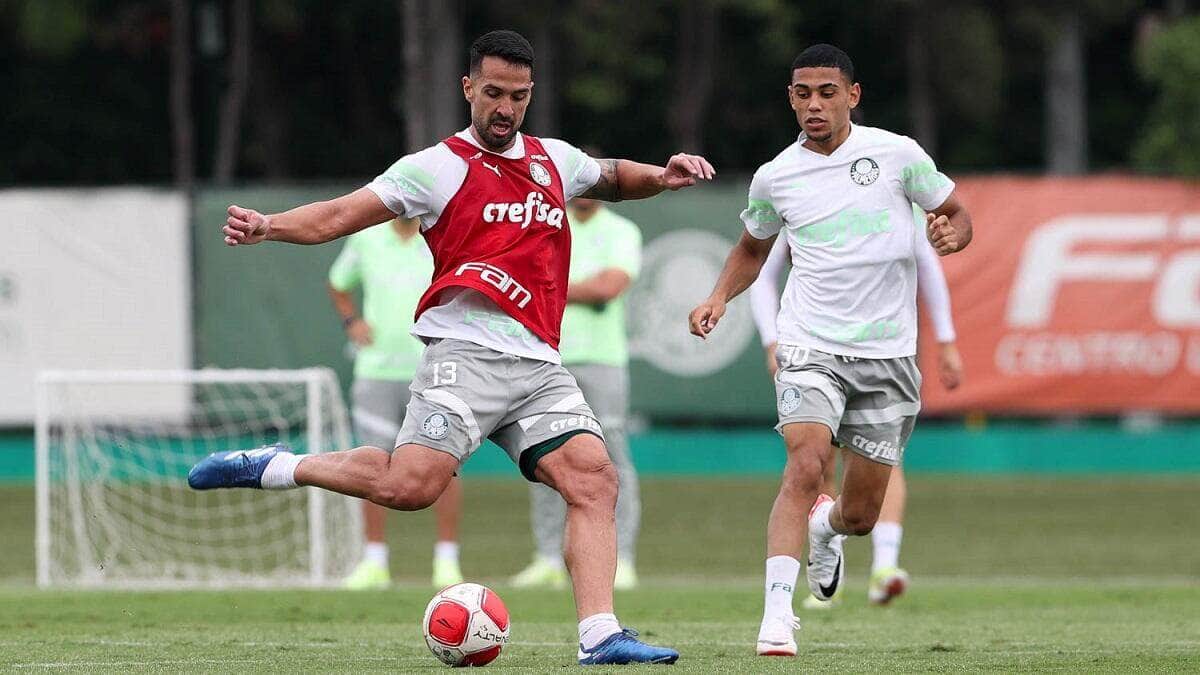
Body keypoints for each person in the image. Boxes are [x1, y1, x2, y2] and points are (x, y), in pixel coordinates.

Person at [189, 29, 714, 666]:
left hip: (540, 366)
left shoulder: (554, 160)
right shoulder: (434, 168)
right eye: (493, 93)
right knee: (408, 488)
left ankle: (601, 633)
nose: (505, 108)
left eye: (518, 96)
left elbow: (611, 178)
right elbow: (336, 216)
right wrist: (270, 226)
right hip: (463, 357)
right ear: (467, 88)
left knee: (594, 480)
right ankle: (274, 466)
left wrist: (662, 174)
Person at [687, 44, 972, 657]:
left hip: (889, 356)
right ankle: (776, 617)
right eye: (801, 94)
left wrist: (952, 232)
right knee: (807, 461)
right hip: (810, 345)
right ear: (790, 99)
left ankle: (827, 527)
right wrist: (718, 296)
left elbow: (954, 213)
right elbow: (752, 250)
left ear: (852, 95)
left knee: (861, 513)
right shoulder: (776, 175)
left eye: (825, 92)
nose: (813, 105)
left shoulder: (898, 155)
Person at [749, 207, 964, 609]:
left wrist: (947, 340)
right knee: (817, 462)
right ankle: (831, 563)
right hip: (816, 350)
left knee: (884, 460)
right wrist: (770, 340)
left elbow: (929, 265)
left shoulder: (897, 183)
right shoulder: (799, 187)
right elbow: (760, 266)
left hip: (882, 351)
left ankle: (883, 564)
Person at [510, 190, 644, 591]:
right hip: (549, 355)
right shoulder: (546, 222)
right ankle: (548, 556)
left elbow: (609, 287)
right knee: (545, 456)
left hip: (603, 360)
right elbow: (523, 278)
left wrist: (552, 286)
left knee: (613, 455)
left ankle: (624, 559)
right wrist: (574, 286)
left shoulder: (622, 230)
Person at [327, 215, 465, 590]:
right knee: (369, 461)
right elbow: (338, 283)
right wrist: (352, 322)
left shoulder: (444, 233)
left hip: (435, 369)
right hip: (376, 371)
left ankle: (447, 560)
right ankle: (374, 560)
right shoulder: (366, 239)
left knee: (445, 463)